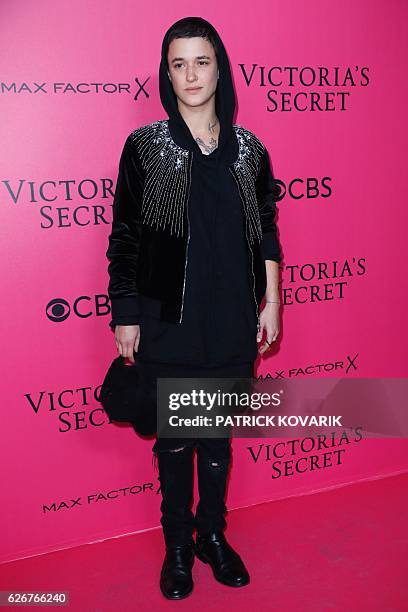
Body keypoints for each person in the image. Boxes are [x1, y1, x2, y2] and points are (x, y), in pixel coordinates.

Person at [106, 16, 282, 600]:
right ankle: (177, 545)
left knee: (215, 438)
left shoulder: (250, 150)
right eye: (178, 63)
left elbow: (267, 234)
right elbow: (126, 236)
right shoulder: (146, 147)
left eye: (201, 61)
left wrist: (272, 300)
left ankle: (212, 536)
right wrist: (125, 312)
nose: (190, 74)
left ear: (219, 68)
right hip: (168, 320)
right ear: (166, 73)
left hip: (231, 316)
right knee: (178, 439)